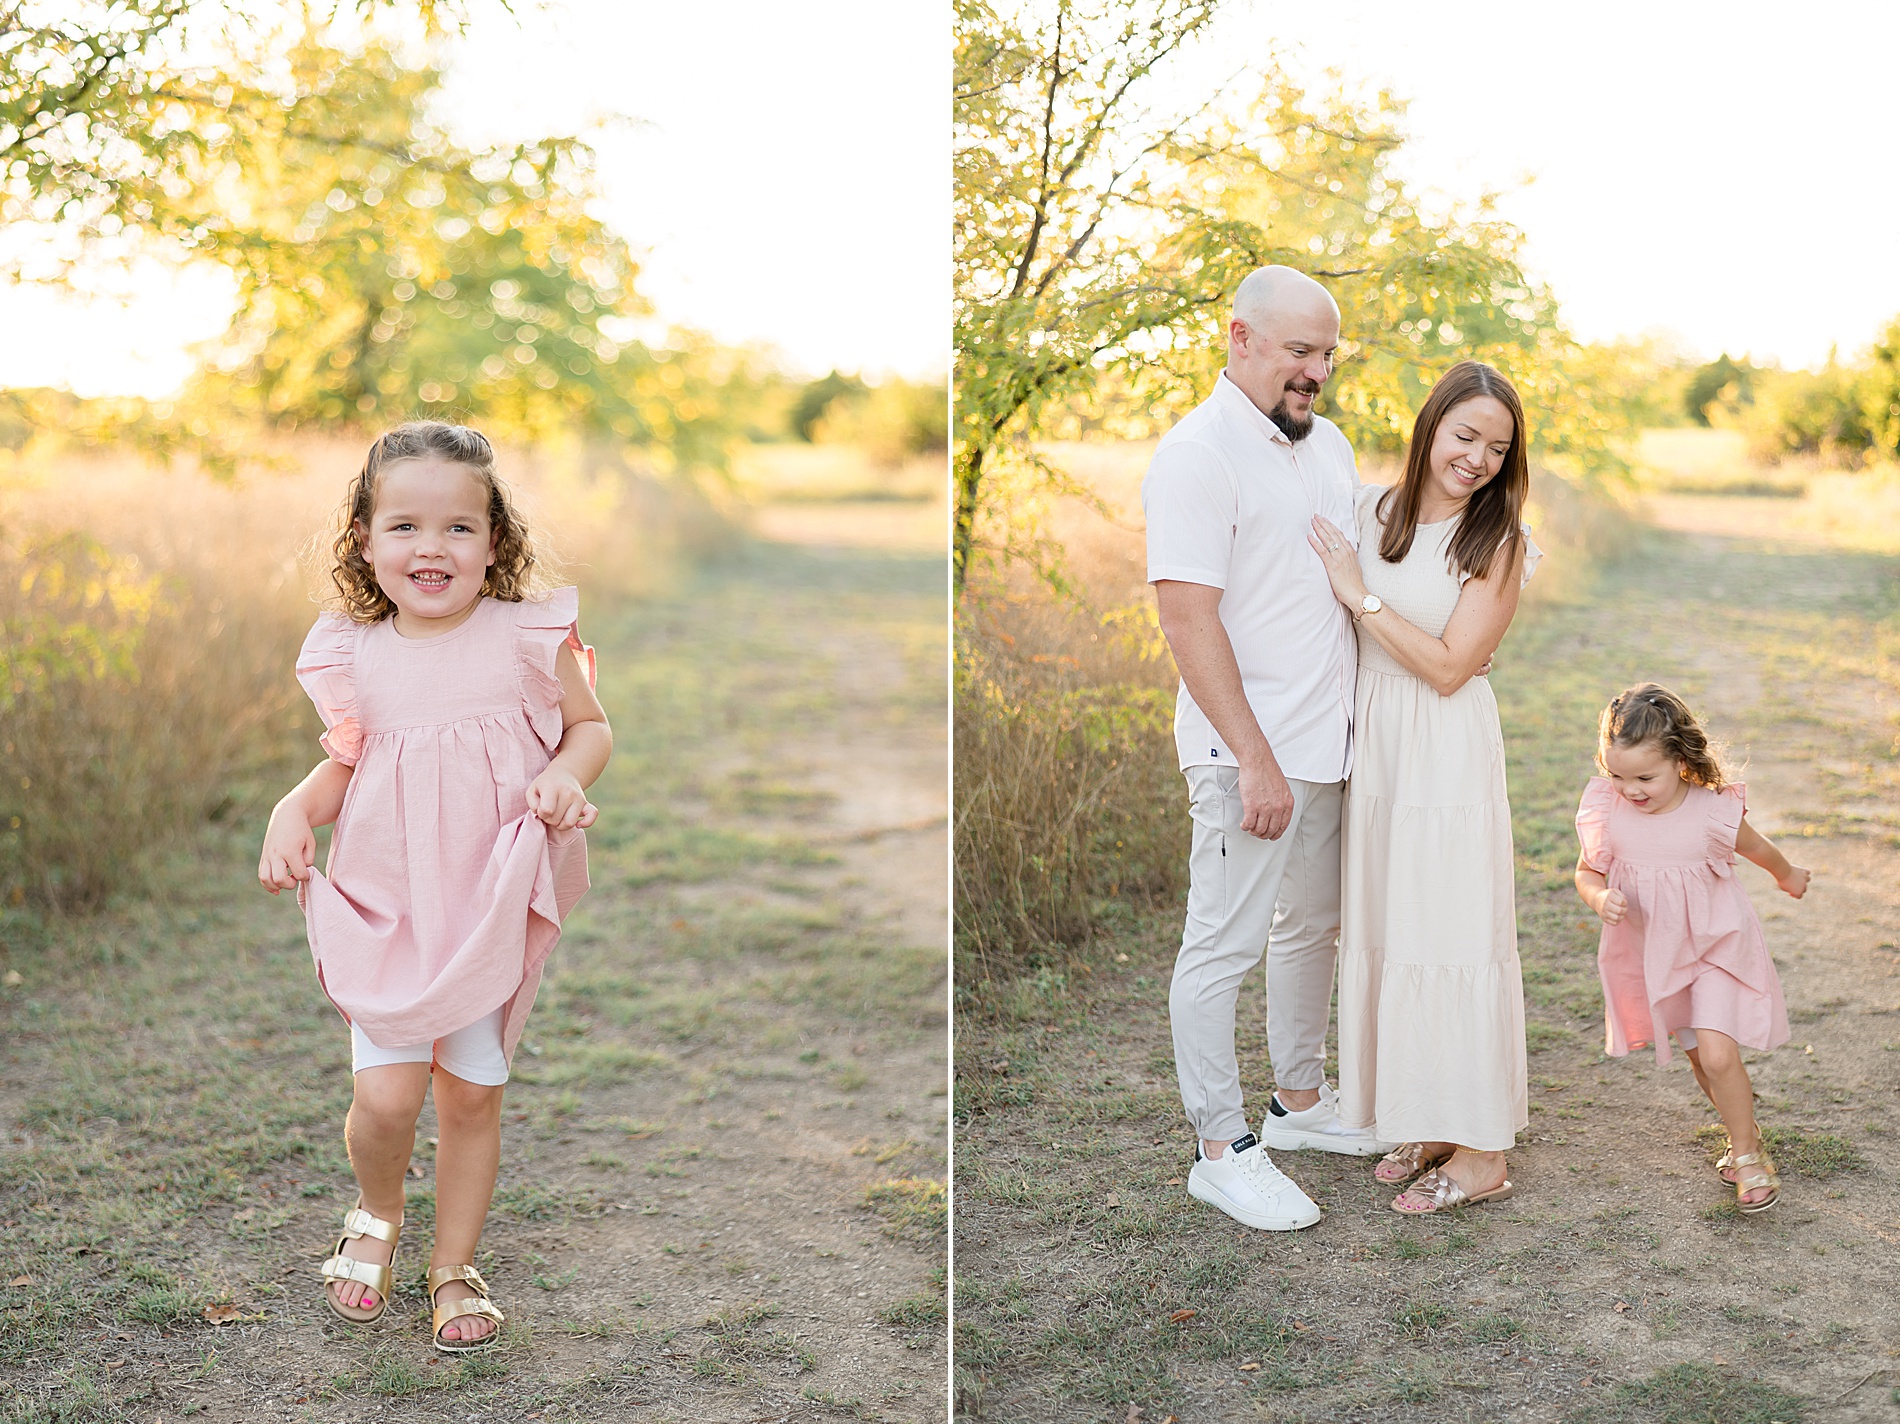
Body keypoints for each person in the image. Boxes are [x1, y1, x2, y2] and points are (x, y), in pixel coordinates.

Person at [257, 421, 612, 1350]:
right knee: (385, 1098)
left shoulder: (529, 636)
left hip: (485, 905)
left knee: (470, 1095)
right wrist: (292, 809)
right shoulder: (352, 650)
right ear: (365, 541)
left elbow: (591, 728)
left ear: (495, 543)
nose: (432, 547)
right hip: (391, 906)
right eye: (404, 526)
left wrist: (568, 772)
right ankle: (376, 1214)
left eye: (460, 528)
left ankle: (454, 1265)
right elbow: (346, 763)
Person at [1143, 265, 1389, 1236]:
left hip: (1324, 745)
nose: (1315, 372)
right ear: (1238, 337)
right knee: (1223, 942)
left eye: (1326, 354)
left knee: (1309, 929)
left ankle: (1297, 1104)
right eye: (1298, 350)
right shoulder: (1197, 454)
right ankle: (1219, 1148)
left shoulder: (1326, 445)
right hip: (1245, 751)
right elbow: (1185, 615)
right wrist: (1251, 756)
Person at [1307, 360, 1539, 1214]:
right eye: (1464, 435)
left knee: (1454, 934)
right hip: (1379, 750)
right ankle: (1434, 1118)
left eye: (1497, 447)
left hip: (1443, 750)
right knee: (1400, 929)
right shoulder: (1370, 510)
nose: (1476, 458)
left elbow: (1449, 668)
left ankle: (1481, 1153)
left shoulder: (1499, 543)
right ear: (1430, 427)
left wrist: (1360, 598)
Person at [1575, 683, 1806, 1212]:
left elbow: (1755, 847)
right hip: (1661, 954)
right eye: (1618, 775)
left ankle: (1748, 1156)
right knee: (1703, 1057)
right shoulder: (1608, 810)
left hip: (1718, 946)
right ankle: (1742, 1130)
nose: (1630, 789)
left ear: (1680, 760)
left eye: (1644, 777)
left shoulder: (1710, 812)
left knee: (1721, 1054)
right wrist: (1599, 896)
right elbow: (1587, 870)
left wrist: (1787, 873)